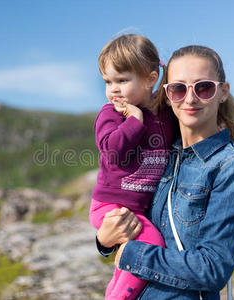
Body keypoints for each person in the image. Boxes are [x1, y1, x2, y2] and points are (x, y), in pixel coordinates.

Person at [96, 45, 234, 299]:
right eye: (179, 89)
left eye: (204, 88)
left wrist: (131, 254)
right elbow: (137, 222)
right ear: (167, 94)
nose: (190, 99)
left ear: (222, 92)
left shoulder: (231, 167)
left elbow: (212, 269)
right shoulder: (160, 155)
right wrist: (105, 242)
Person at [90, 34, 177, 299]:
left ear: (151, 79)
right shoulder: (111, 114)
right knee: (150, 244)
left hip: (136, 209)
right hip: (111, 207)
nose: (113, 89)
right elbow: (114, 152)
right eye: (107, 81)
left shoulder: (164, 115)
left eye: (122, 80)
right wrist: (134, 121)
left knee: (125, 265)